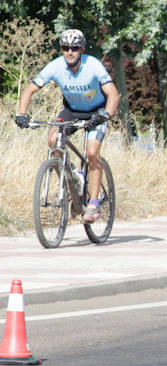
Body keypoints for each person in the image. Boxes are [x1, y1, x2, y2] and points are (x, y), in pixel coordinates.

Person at [15, 29, 120, 224]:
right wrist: (21, 114)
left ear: (82, 49)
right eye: (65, 48)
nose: (70, 52)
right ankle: (72, 175)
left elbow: (113, 94)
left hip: (96, 111)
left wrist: (105, 114)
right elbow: (30, 89)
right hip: (71, 110)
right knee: (53, 139)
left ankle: (94, 203)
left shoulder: (93, 65)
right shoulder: (56, 66)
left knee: (92, 151)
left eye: (74, 48)